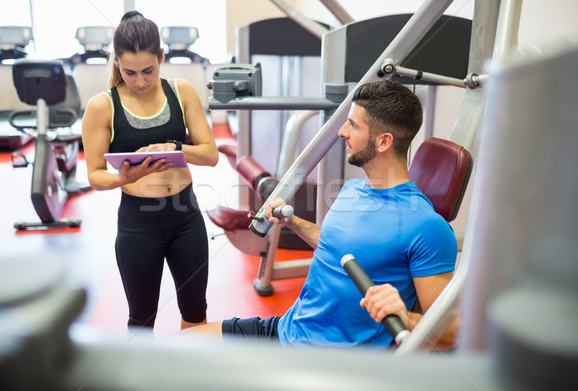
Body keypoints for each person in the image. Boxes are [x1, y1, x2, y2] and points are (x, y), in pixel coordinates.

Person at [185, 80, 458, 349]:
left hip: (327, 360)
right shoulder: (352, 189)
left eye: (352, 124)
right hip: (287, 329)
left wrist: (406, 318)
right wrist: (294, 223)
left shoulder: (426, 227)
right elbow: (336, 247)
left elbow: (452, 334)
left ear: (383, 141)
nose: (342, 131)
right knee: (178, 347)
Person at [81, 11, 219, 331]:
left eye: (148, 70)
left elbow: (210, 154)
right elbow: (94, 175)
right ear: (116, 62)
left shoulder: (181, 91)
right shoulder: (103, 106)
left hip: (186, 216)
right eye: (130, 72)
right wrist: (121, 178)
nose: (140, 81)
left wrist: (175, 148)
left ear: (161, 57)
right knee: (142, 318)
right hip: (138, 223)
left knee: (196, 312)